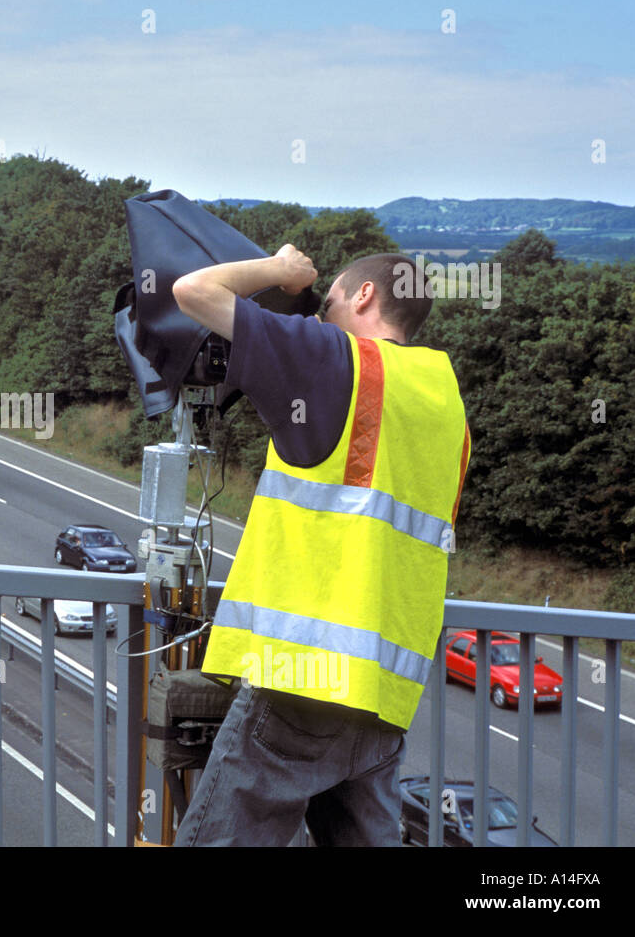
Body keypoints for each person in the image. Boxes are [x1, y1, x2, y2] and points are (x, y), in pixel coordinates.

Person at [169, 247, 471, 846]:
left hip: (303, 680)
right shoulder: (445, 400)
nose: (318, 314)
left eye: (327, 299)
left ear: (363, 296)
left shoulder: (339, 358)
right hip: (383, 699)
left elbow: (193, 290)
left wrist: (281, 270)